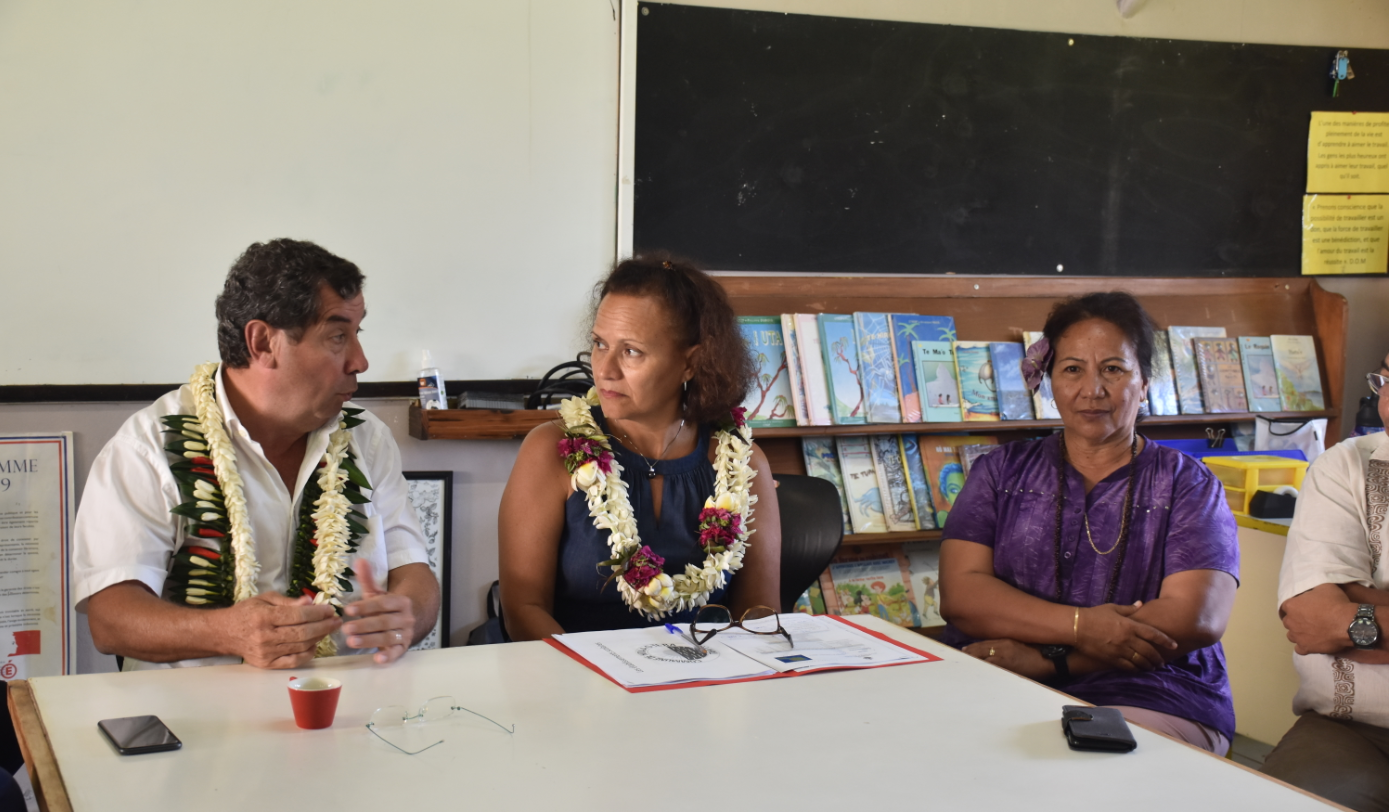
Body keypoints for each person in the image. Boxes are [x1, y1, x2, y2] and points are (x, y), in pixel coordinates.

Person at [73, 239, 440, 669]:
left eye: (357, 335)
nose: (360, 361)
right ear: (263, 341)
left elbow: (416, 577)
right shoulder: (147, 448)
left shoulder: (368, 439)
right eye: (337, 336)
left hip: (347, 710)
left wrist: (406, 616)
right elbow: (111, 619)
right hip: (196, 722)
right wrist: (228, 632)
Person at [938, 291, 1239, 754]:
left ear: (1144, 382)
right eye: (1072, 369)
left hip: (1152, 689)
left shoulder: (1187, 484)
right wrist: (1083, 627)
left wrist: (1052, 661)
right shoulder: (999, 472)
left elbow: (1195, 617)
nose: (1091, 389)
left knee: (1097, 780)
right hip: (997, 674)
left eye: (1113, 369)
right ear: (1050, 380)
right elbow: (962, 596)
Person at [499, 254, 781, 640]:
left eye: (631, 351)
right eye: (600, 344)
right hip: (578, 684)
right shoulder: (551, 449)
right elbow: (522, 610)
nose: (605, 370)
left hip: (707, 684)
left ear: (691, 363)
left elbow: (759, 616)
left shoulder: (741, 464)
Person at [1261, 353, 1389, 811]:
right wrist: (1345, 613)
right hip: (1355, 730)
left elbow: (1337, 618)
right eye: (1388, 380)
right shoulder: (1346, 466)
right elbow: (1313, 619)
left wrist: (1355, 612)